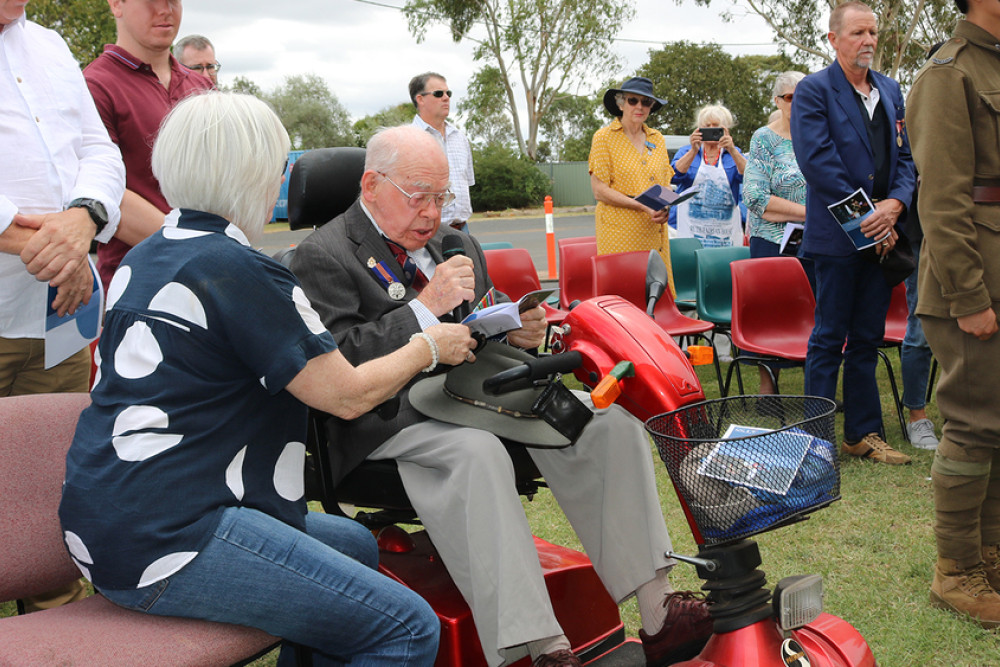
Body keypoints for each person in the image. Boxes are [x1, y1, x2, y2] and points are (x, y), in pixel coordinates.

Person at [58, 93, 468, 665]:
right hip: (172, 538)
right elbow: (346, 397)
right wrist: (427, 346)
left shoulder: (148, 254)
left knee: (352, 544)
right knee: (406, 627)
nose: (280, 183)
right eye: (277, 168)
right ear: (251, 175)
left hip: (110, 519)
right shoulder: (240, 271)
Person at [290, 125, 712, 667]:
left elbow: (483, 320)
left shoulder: (455, 243)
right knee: (475, 453)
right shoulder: (320, 256)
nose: (432, 212)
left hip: (479, 394)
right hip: (386, 415)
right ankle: (541, 648)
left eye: (441, 197)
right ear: (371, 185)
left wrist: (515, 329)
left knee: (609, 425)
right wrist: (422, 311)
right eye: (419, 196)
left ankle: (658, 611)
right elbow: (339, 363)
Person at [0, 0, 125, 613]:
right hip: (46, 287)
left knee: (51, 488)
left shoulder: (47, 44)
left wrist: (86, 219)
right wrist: (52, 248)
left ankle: (56, 631)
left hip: (60, 317)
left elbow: (99, 152)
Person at [790, 0, 916, 465]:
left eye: (873, 33)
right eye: (859, 33)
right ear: (833, 39)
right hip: (838, 241)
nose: (868, 41)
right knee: (828, 339)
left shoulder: (890, 88)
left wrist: (895, 206)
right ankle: (815, 443)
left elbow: (906, 160)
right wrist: (870, 223)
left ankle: (861, 435)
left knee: (867, 339)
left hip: (883, 235)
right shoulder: (813, 90)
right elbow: (819, 164)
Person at [907, 0, 1000, 627]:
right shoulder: (949, 71)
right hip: (970, 281)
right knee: (971, 423)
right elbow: (940, 198)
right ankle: (955, 570)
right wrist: (969, 296)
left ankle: (988, 556)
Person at [84, 0, 212, 292]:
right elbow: (105, 192)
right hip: (138, 283)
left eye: (173, 1)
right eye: (152, 1)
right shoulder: (95, 86)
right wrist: (201, 246)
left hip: (208, 280)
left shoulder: (203, 88)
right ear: (117, 4)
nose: (165, 9)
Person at [742, 70, 811, 394]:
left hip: (814, 241)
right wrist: (811, 213)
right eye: (789, 97)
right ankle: (767, 388)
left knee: (816, 311)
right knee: (770, 314)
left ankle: (818, 388)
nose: (797, 103)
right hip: (770, 241)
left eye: (804, 96)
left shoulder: (819, 135)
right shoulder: (764, 139)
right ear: (777, 100)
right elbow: (755, 198)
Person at [588, 76, 676, 295]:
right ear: (620, 103)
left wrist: (665, 207)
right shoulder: (603, 138)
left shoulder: (657, 139)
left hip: (654, 234)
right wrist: (641, 206)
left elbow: (665, 184)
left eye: (646, 102)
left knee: (655, 299)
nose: (639, 107)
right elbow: (600, 191)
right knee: (624, 300)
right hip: (619, 234)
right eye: (633, 101)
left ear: (652, 107)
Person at [670, 104, 747, 247]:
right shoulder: (685, 151)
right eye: (707, 126)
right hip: (687, 228)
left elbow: (748, 176)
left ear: (726, 129)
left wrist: (731, 149)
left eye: (716, 126)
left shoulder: (734, 153)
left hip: (725, 232)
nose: (711, 129)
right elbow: (674, 176)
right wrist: (693, 150)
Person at [409, 72, 475, 233]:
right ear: (420, 99)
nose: (446, 98)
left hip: (462, 229)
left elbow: (468, 183)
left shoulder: (460, 138)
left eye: (448, 93)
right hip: (424, 231)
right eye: (438, 94)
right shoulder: (407, 140)